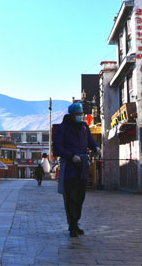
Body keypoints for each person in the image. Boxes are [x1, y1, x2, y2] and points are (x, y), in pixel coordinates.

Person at [52, 102, 99, 238]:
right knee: (70, 197)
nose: (80, 116)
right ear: (72, 115)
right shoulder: (63, 128)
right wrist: (71, 156)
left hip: (83, 166)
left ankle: (75, 222)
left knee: (80, 197)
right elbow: (57, 147)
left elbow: (90, 141)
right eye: (78, 114)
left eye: (81, 114)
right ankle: (72, 225)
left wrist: (95, 147)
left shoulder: (84, 127)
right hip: (69, 167)